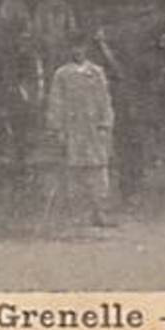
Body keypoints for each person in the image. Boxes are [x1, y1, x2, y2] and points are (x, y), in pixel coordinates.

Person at [45, 33, 116, 229]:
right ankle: (78, 215)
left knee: (99, 170)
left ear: (86, 48)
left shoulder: (96, 72)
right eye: (73, 47)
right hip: (73, 127)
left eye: (81, 47)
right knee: (74, 172)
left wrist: (106, 123)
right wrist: (57, 128)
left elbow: (105, 99)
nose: (77, 51)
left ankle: (100, 212)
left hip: (93, 127)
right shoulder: (62, 74)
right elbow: (55, 102)